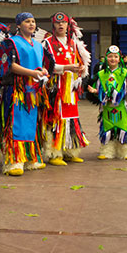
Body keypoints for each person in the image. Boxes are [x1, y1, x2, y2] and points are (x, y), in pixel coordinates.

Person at [0, 12, 55, 176]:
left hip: (34, 92)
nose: (31, 24)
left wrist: (44, 70)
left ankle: (31, 157)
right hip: (17, 90)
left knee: (32, 124)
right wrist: (31, 73)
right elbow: (9, 65)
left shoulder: (38, 45)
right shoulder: (10, 43)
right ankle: (14, 160)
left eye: (33, 21)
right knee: (16, 124)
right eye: (26, 21)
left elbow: (45, 65)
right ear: (18, 25)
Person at [41, 12, 90, 165]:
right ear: (53, 25)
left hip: (71, 87)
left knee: (71, 116)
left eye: (64, 23)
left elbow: (82, 63)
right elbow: (46, 67)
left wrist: (81, 70)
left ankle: (70, 150)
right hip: (55, 87)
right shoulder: (47, 43)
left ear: (69, 25)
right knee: (55, 117)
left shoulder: (74, 43)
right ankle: (55, 153)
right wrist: (67, 67)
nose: (61, 25)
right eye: (57, 23)